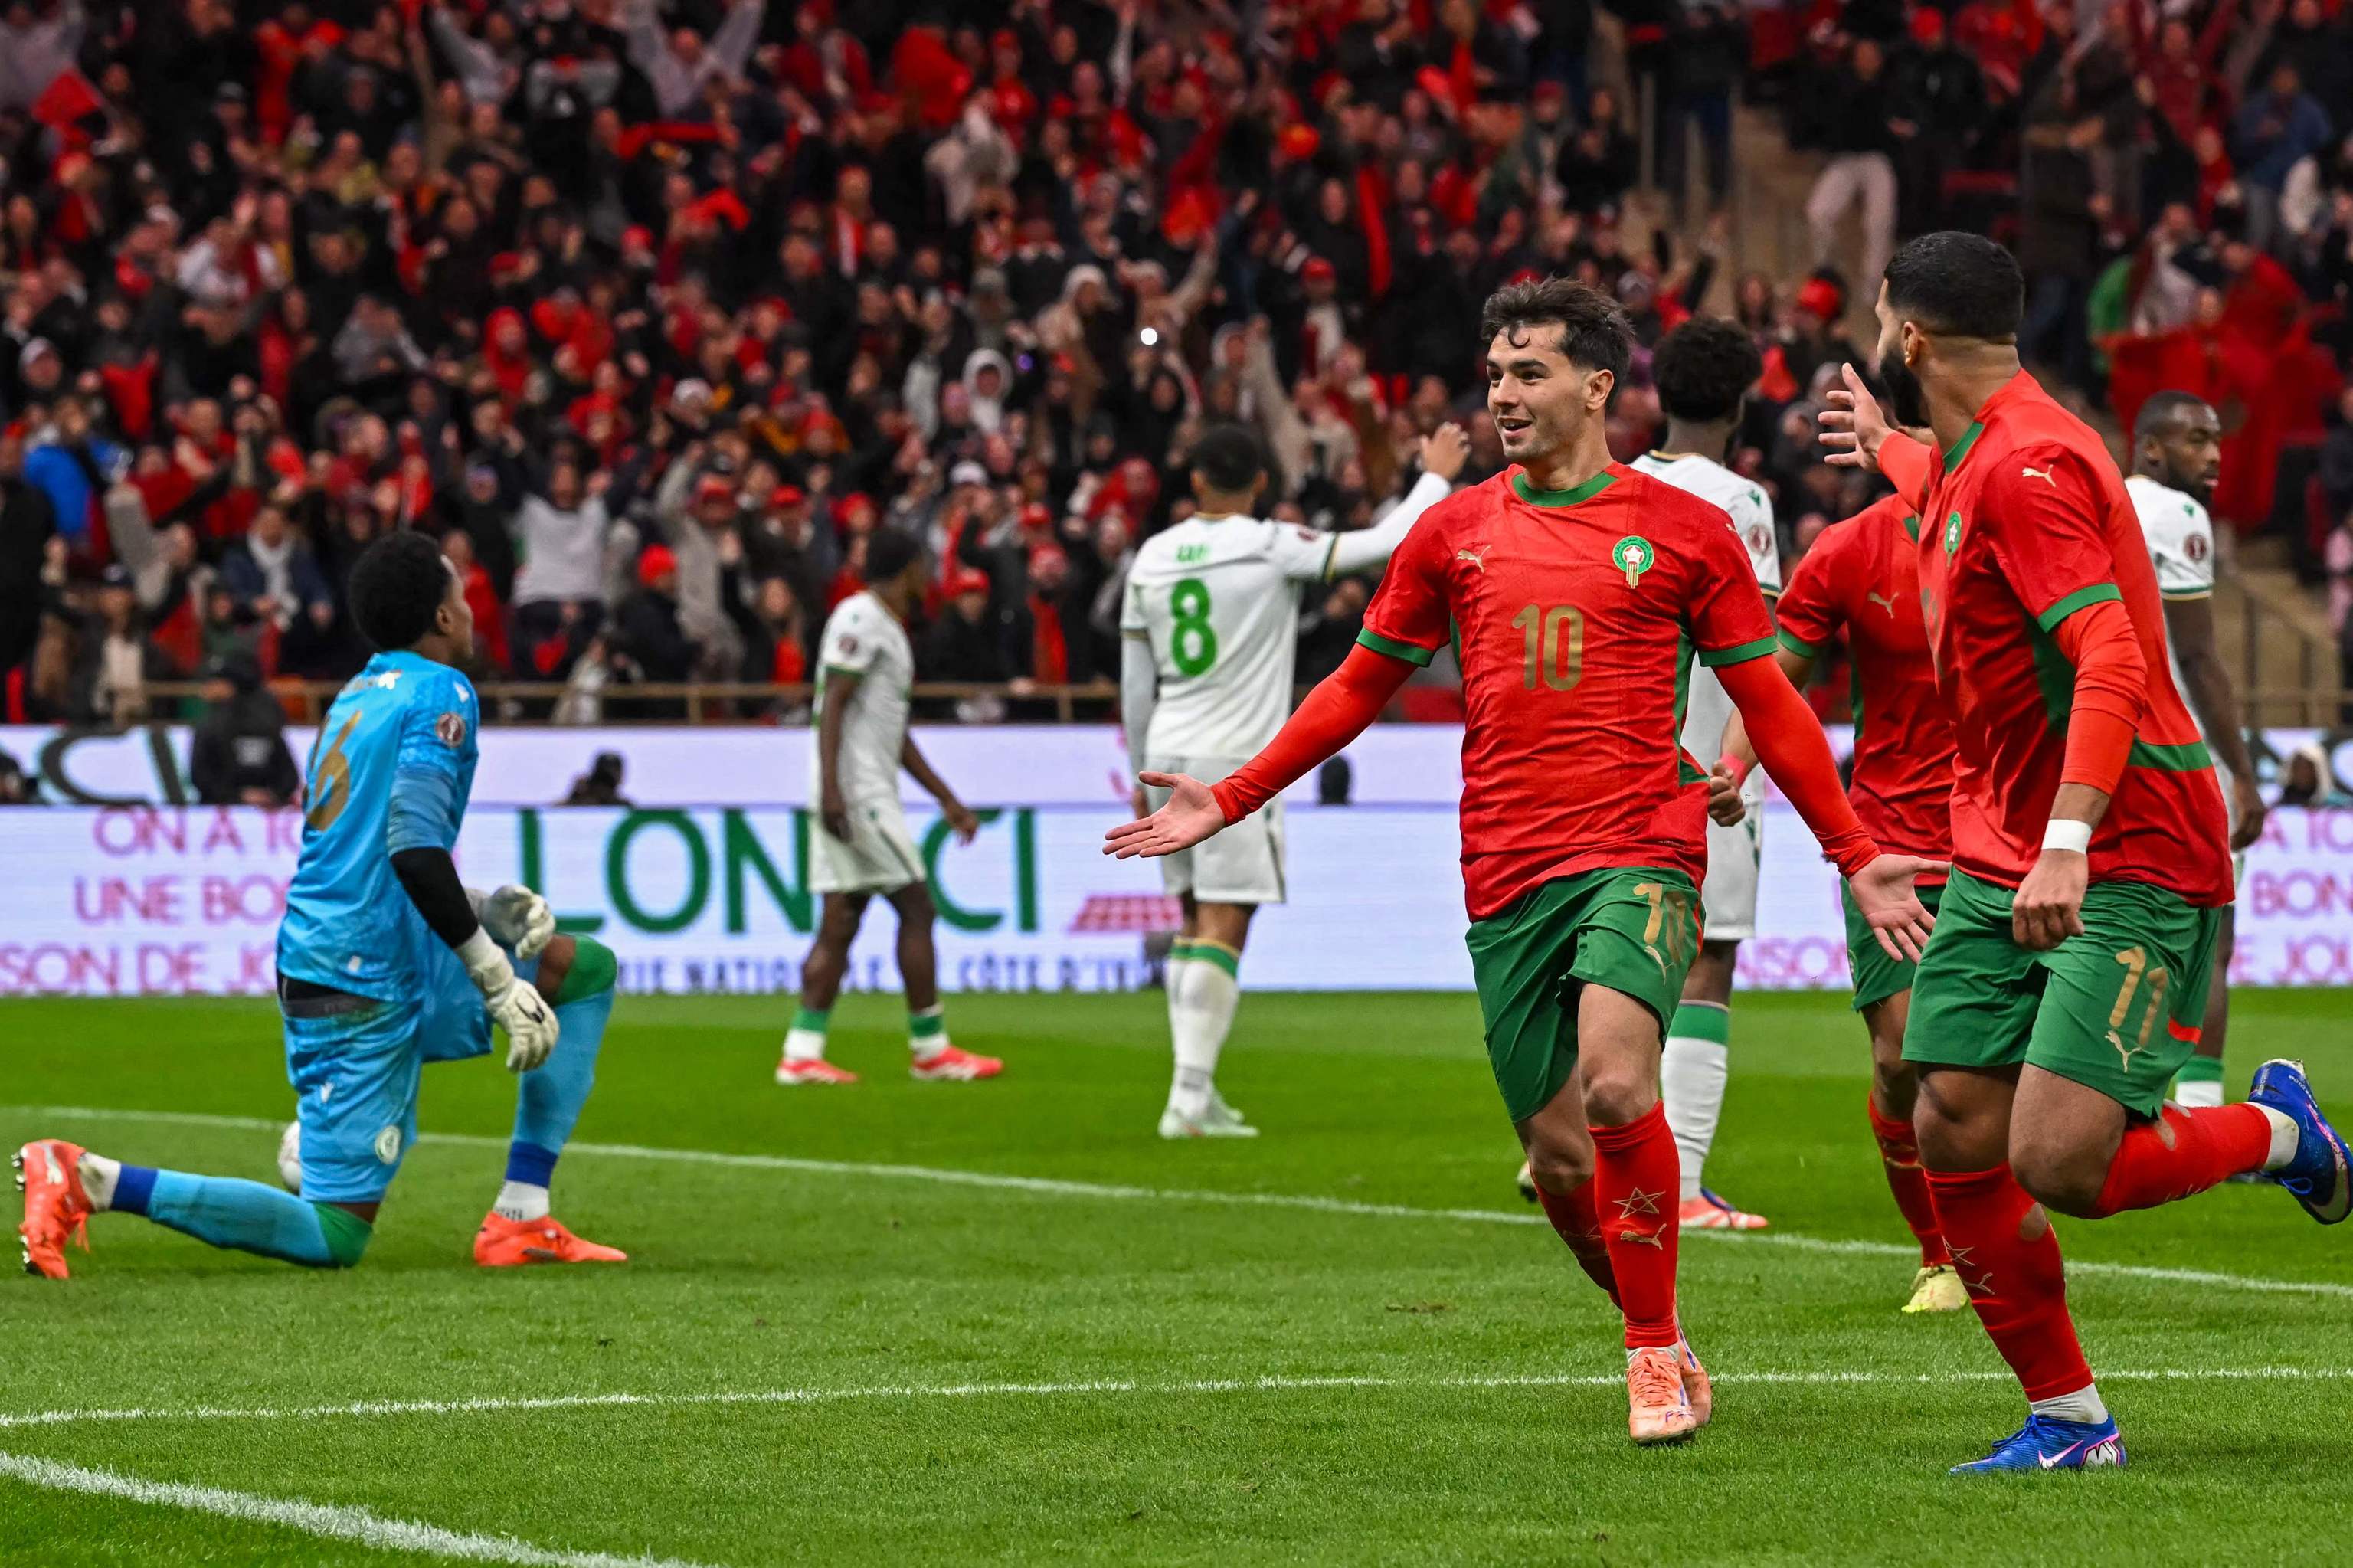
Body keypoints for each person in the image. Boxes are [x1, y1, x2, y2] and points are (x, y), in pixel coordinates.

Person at [1108, 279, 1939, 1445]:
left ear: (1599, 386)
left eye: (1529, 371)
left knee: (1613, 1078)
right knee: (1558, 1163)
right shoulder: (1454, 531)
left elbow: (1774, 704)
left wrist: (1852, 850)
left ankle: (1648, 1354)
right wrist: (1233, 790)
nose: (1502, 393)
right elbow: (1356, 685)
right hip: (1506, 872)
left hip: (1644, 849)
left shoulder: (1685, 531)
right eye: (1496, 373)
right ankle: (1663, 1324)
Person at [1818, 231, 2348, 1474]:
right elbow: (1933, 475)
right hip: (1994, 840)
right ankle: (2070, 1421)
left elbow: (2113, 654)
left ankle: (2280, 1133)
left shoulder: (2028, 464)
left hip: (2121, 841)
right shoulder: (1961, 455)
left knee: (2059, 1158)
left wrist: (2064, 841)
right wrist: (1882, 442)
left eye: (1877, 325)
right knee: (1949, 1116)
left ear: (1906, 339)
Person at [18, 531, 628, 1278]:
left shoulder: (356, 695)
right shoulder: (444, 691)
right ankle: (90, 1178)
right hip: (357, 984)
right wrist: (498, 981)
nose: (471, 612)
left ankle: (521, 1215)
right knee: (333, 1234)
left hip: (371, 952)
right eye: (463, 597)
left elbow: (365, 853)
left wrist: (485, 907)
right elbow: (410, 848)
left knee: (581, 967)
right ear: (441, 617)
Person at [1121, 421, 1466, 1138]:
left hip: (1164, 742)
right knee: (1226, 916)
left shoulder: (1151, 556)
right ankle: (1189, 1094)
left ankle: (1194, 1089)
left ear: (1193, 483)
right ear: (1258, 486)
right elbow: (1381, 542)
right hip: (1232, 755)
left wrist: (1136, 767)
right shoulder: (1268, 542)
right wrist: (1433, 474)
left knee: (1190, 917)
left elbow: (1134, 678)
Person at [1712, 491, 1967, 1315]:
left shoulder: (2017, 521)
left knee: (1994, 1067)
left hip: (2009, 835)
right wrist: (1733, 765)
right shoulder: (1850, 549)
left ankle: (1997, 1227)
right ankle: (1940, 1255)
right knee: (1899, 1061)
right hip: (1890, 839)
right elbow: (1772, 678)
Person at [1630, 317, 1782, 1232]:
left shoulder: (1612, 484)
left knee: (1616, 952)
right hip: (1703, 768)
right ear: (1742, 400)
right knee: (1706, 958)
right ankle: (1681, 1184)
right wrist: (1732, 765)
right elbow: (1754, 657)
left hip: (1614, 763)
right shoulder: (1740, 500)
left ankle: (1562, 1142)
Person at [777, 529, 1003, 1086]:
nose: (929, 577)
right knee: (917, 907)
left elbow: (891, 733)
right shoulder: (859, 618)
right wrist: (832, 787)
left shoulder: (889, 627)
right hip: (857, 794)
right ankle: (930, 1048)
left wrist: (945, 797)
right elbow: (832, 702)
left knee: (841, 921)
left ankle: (801, 1051)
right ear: (905, 570)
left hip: (863, 787)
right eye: (923, 566)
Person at [2122, 392, 2268, 1108]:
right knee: (2212, 932)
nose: (2212, 455)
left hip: (2100, 749)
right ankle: (2203, 1113)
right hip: (2176, 757)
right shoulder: (2178, 516)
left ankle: (2106, 1096)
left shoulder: (2105, 504)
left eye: (2216, 440)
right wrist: (2242, 775)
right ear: (2151, 447)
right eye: (2195, 440)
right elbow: (2200, 657)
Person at [188, 649, 299, 807]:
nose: (205, 689)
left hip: (222, 811)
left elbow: (200, 777)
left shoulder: (210, 726)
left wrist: (238, 796)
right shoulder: (270, 719)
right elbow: (289, 776)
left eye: (212, 682)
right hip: (266, 811)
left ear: (229, 685)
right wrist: (270, 795)